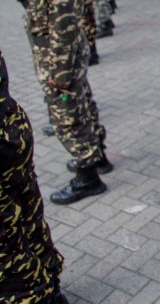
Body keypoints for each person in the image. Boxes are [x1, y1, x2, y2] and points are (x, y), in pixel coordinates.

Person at [0, 0, 110, 204]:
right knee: (82, 105)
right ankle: (96, 156)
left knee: (67, 117)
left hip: (59, 59)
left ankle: (88, 176)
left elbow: (65, 22)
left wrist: (59, 74)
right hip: (63, 57)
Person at [0, 49, 68, 304]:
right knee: (27, 217)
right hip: (8, 125)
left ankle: (38, 296)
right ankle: (51, 290)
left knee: (7, 253)